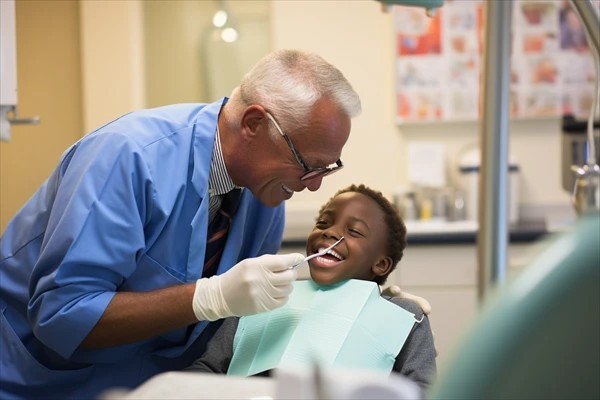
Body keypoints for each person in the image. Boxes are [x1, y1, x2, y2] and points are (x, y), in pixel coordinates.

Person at [0, 49, 362, 399]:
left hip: (149, 386)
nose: (313, 184)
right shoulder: (128, 157)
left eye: (327, 169)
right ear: (253, 123)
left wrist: (357, 301)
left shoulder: (264, 196)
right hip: (37, 380)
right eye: (308, 164)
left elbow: (231, 326)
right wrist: (209, 297)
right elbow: (62, 314)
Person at [189, 184, 437, 389]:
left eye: (354, 231)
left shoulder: (403, 317)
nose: (330, 233)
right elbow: (207, 368)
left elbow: (423, 389)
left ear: (381, 264)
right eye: (323, 223)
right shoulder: (263, 296)